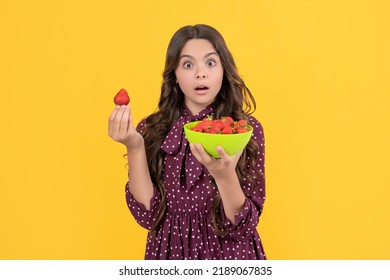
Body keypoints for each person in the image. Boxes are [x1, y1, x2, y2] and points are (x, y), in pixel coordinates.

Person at [108, 24, 266, 260]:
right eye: (188, 64)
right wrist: (134, 145)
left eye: (210, 63)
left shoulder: (244, 131)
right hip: (169, 253)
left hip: (230, 255)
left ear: (224, 69)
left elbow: (241, 227)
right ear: (175, 76)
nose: (200, 73)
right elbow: (149, 216)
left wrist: (225, 177)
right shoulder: (152, 130)